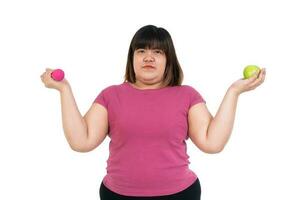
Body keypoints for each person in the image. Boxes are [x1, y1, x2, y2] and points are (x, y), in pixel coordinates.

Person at [40, 25, 266, 200]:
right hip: (117, 195)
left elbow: (212, 143)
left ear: (168, 60)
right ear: (132, 58)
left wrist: (234, 91)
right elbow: (82, 142)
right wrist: (64, 89)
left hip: (180, 194)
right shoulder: (111, 95)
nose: (148, 57)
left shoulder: (187, 95)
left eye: (157, 51)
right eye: (141, 51)